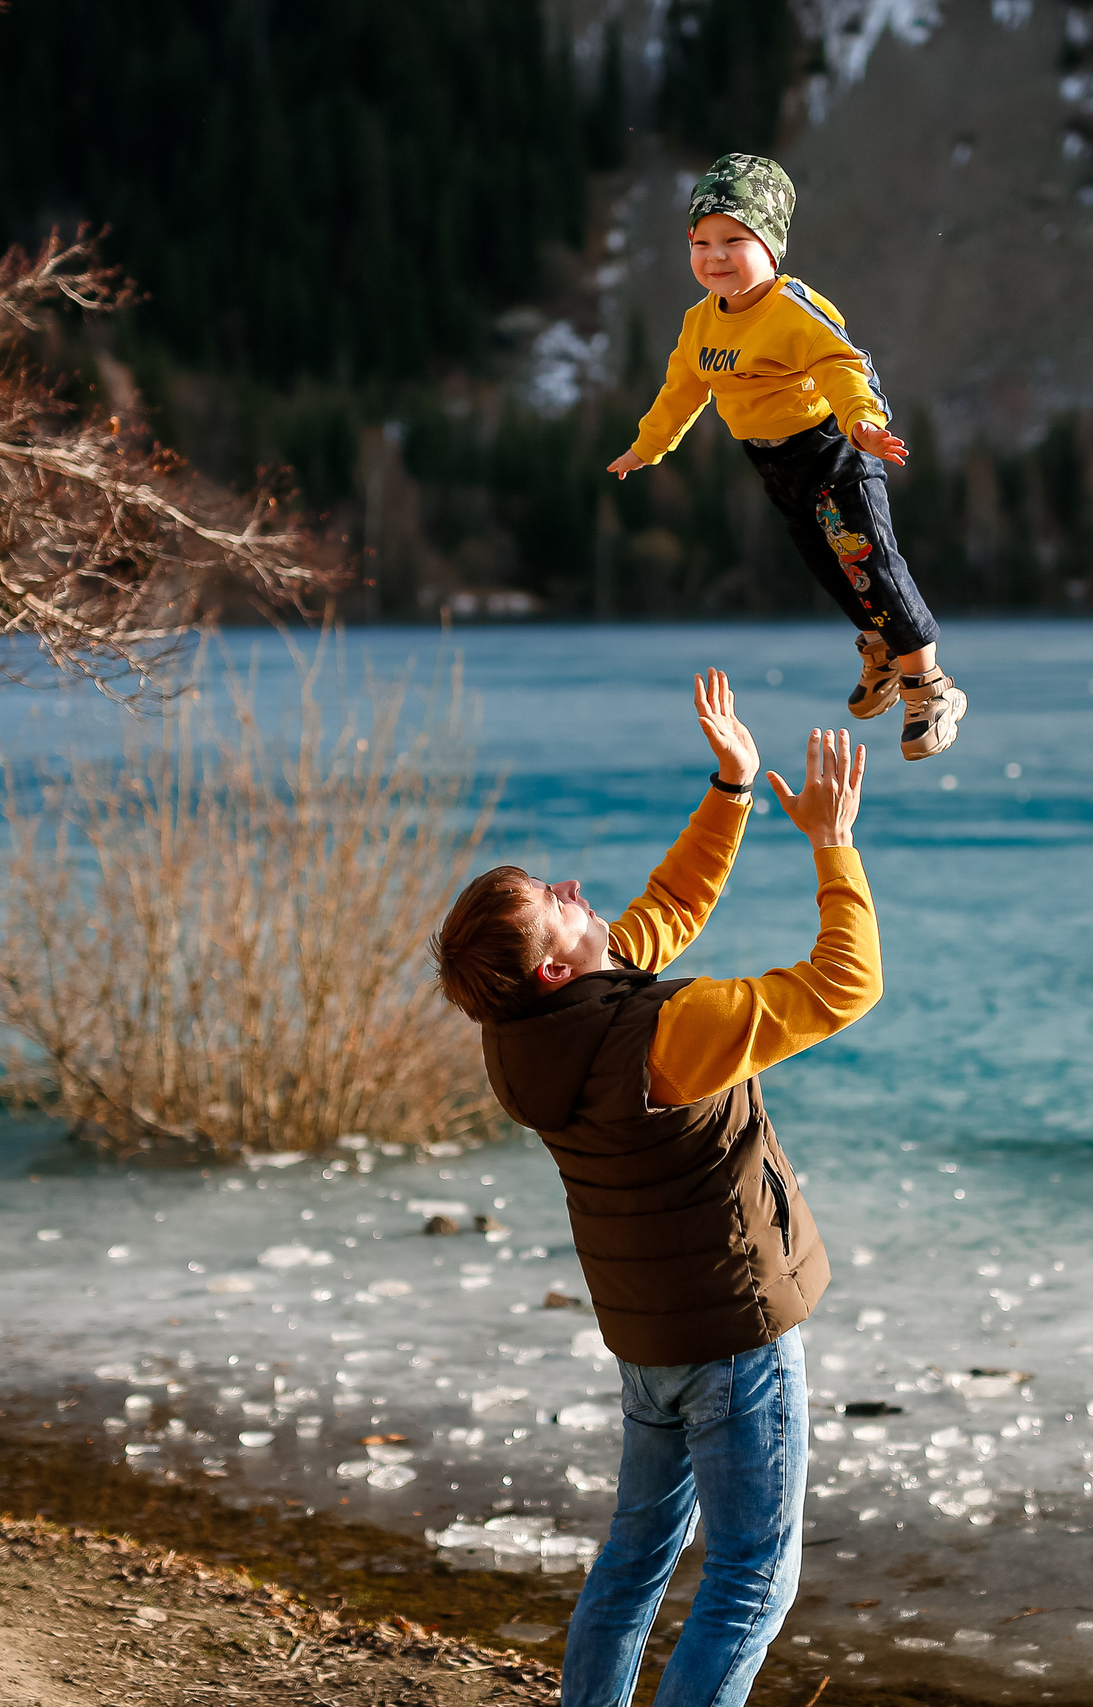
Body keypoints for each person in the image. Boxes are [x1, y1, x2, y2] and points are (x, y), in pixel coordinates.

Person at [429, 669, 879, 1707]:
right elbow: (844, 984)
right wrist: (832, 843)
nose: (574, 890)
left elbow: (666, 909)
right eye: (556, 904)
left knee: (635, 1560)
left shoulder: (525, 1035)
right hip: (732, 1333)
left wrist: (732, 788)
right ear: (553, 966)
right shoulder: (669, 1035)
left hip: (649, 1341)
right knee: (751, 1578)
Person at [608, 152, 964, 761]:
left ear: (771, 248)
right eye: (702, 242)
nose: (716, 256)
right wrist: (648, 446)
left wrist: (864, 425)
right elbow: (683, 389)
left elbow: (844, 366)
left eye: (734, 240)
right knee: (828, 565)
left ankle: (929, 685)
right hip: (772, 463)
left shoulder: (793, 310)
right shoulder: (700, 324)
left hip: (831, 451)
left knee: (868, 560)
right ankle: (881, 649)